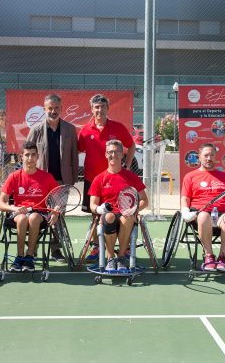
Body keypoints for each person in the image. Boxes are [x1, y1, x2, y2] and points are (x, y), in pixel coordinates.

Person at [78, 93, 136, 261]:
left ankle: (123, 249)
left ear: (108, 108)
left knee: (120, 214)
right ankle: (97, 248)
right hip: (92, 180)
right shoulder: (85, 130)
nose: (100, 110)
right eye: (96, 107)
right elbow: (78, 149)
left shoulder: (118, 127)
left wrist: (127, 164)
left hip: (116, 182)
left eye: (103, 107)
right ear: (91, 109)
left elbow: (131, 146)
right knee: (95, 214)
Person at [26, 93, 78, 262]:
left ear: (61, 109)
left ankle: (55, 250)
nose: (53, 111)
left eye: (56, 108)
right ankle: (32, 250)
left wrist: (72, 180)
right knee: (38, 215)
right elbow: (28, 154)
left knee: (57, 216)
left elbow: (74, 156)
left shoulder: (70, 129)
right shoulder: (36, 130)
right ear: (44, 109)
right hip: (40, 183)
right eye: (50, 108)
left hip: (62, 182)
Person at [0, 141, 59, 272]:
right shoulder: (14, 176)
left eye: (33, 155)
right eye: (27, 155)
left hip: (39, 214)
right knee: (23, 218)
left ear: (38, 156)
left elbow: (58, 199)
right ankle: (20, 257)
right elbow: (0, 203)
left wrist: (55, 212)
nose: (30, 158)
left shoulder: (47, 177)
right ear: (21, 157)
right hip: (19, 214)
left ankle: (29, 257)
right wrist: (15, 208)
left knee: (34, 217)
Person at [180, 143, 225, 272]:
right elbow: (185, 198)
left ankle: (223, 257)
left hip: (222, 215)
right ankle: (209, 256)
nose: (209, 158)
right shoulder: (190, 176)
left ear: (215, 157)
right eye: (206, 155)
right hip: (200, 215)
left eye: (212, 155)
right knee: (203, 216)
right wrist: (185, 211)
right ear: (199, 157)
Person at [89, 140, 148, 270]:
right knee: (109, 217)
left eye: (116, 152)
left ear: (122, 155)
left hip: (127, 215)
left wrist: (134, 209)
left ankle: (121, 257)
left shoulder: (131, 177)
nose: (113, 155)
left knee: (127, 217)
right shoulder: (99, 178)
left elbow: (144, 200)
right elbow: (92, 205)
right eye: (110, 152)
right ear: (106, 154)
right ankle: (110, 258)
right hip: (108, 215)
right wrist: (100, 208)